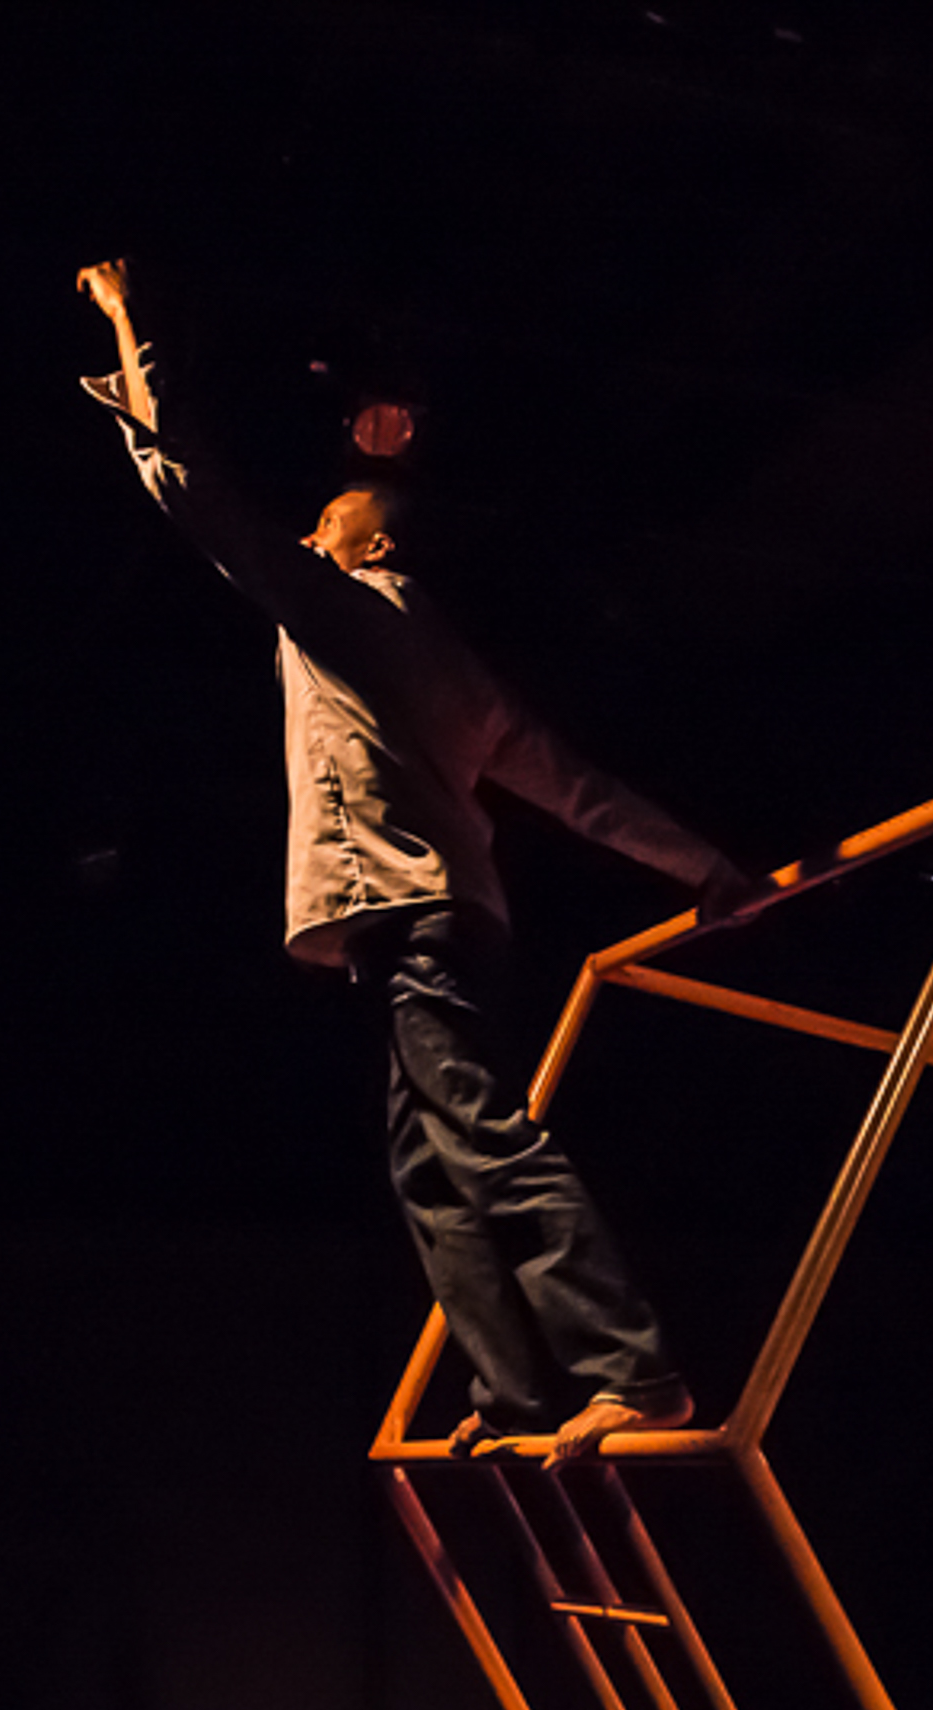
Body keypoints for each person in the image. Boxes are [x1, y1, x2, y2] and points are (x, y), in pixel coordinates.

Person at [73, 259, 766, 1463]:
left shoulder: (346, 611)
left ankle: (632, 1369)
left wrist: (132, 327)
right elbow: (583, 792)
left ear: (368, 543)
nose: (309, 529)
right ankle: (515, 1395)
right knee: (430, 1170)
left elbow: (199, 496)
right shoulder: (459, 668)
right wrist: (707, 869)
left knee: (481, 1134)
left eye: (328, 522)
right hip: (444, 920)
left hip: (414, 915)